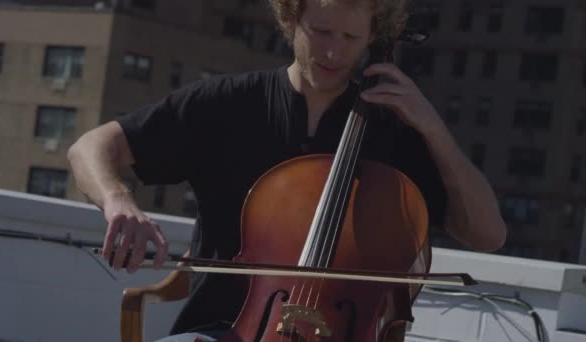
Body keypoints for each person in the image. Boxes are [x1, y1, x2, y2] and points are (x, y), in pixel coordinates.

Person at [67, 0, 507, 340]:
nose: (334, 51)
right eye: (321, 31)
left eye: (351, 37)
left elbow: (488, 234)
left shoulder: (397, 131)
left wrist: (432, 126)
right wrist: (118, 201)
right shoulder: (228, 104)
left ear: (373, 36)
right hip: (221, 332)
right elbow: (90, 147)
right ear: (290, 19)